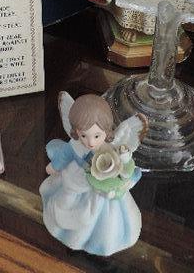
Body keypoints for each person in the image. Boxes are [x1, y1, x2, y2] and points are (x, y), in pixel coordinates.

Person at [40, 92, 147, 256]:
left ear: (106, 131)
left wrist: (124, 173)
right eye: (84, 135)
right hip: (77, 181)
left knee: (106, 219)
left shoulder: (110, 147)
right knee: (70, 207)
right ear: (76, 131)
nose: (90, 142)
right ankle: (71, 233)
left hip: (102, 189)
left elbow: (123, 165)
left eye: (97, 136)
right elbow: (64, 156)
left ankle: (101, 241)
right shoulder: (75, 145)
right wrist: (54, 167)